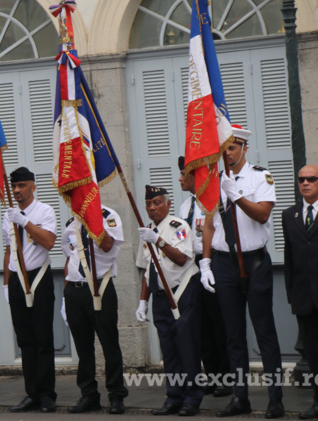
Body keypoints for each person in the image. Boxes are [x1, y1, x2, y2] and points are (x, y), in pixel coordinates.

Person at [200, 125, 284, 418]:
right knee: (233, 335)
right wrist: (206, 262)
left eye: (232, 149)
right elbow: (209, 223)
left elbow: (262, 214)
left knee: (265, 332)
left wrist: (236, 195)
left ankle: (275, 398)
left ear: (243, 149)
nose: (227, 154)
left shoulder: (260, 176)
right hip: (224, 263)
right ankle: (240, 397)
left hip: (254, 261)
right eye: (223, 150)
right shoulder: (214, 179)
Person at [135, 186, 203, 416]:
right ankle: (174, 396)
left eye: (157, 203)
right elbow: (146, 270)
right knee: (169, 350)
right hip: (161, 297)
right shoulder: (147, 232)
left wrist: (159, 242)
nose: (152, 208)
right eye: (148, 204)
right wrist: (142, 302)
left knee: (186, 347)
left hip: (182, 293)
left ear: (167, 204)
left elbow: (183, 259)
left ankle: (192, 397)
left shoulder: (178, 226)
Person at [282, 165, 318, 419]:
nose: (305, 183)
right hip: (306, 298)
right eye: (301, 179)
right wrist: (291, 294)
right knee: (316, 356)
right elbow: (290, 259)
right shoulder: (290, 214)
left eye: (311, 179)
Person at [1, 167, 58, 413]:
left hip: (38, 277)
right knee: (25, 340)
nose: (17, 191)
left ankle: (47, 394)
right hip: (16, 278)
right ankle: (31, 393)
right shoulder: (8, 215)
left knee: (42, 339)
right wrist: (5, 282)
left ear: (33, 186)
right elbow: (8, 250)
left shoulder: (44, 211)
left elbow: (49, 242)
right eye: (14, 186)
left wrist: (25, 222)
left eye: (22, 185)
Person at [61, 203, 127, 415]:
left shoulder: (108, 215)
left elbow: (107, 245)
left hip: (101, 287)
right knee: (83, 348)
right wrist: (65, 294)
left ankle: (116, 394)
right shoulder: (72, 221)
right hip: (75, 290)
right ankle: (89, 395)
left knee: (109, 345)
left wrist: (92, 220)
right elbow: (70, 258)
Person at [178, 156, 231, 398]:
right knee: (202, 326)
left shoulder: (212, 201)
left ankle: (226, 377)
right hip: (191, 266)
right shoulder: (184, 206)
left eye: (183, 174)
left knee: (218, 322)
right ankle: (211, 375)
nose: (180, 178)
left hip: (212, 263)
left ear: (195, 176)